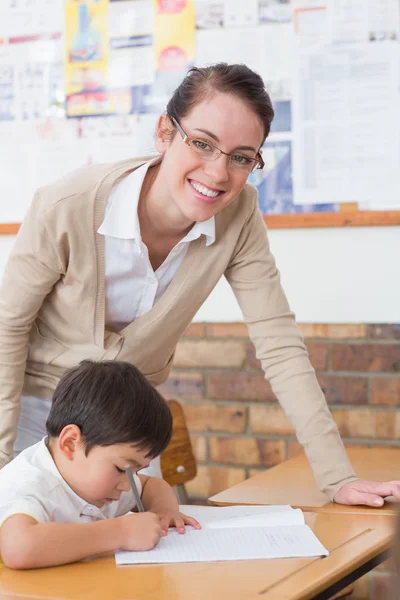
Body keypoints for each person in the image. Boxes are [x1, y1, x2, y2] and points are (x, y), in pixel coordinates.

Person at [0, 62, 398, 507]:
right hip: (37, 416)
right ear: (164, 134)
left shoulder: (240, 216)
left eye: (242, 157)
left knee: (142, 553)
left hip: (126, 424)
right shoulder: (66, 205)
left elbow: (279, 344)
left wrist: (337, 478)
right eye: (202, 144)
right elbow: (7, 328)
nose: (218, 172)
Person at [0, 360, 200, 569]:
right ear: (70, 443)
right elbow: (18, 547)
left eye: (136, 472)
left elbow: (152, 486)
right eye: (122, 469)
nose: (126, 485)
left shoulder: (100, 481)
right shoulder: (28, 484)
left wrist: (163, 511)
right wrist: (120, 532)